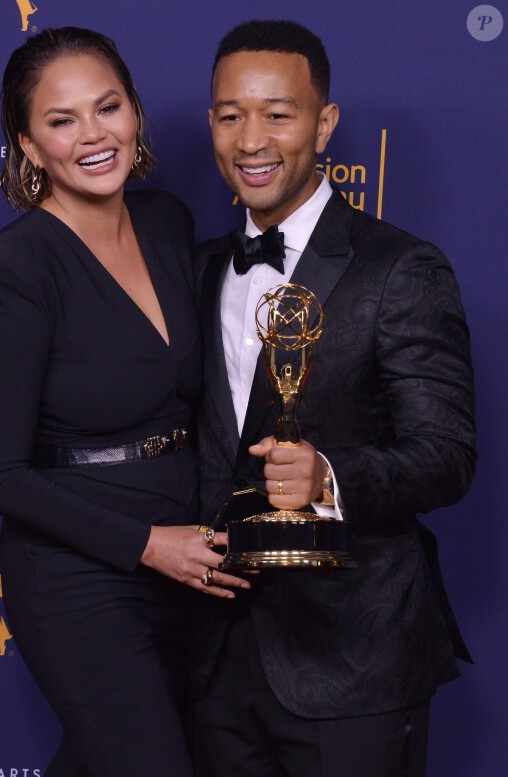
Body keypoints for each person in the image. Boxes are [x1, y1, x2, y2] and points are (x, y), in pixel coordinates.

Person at [0, 26, 248, 777]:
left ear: (135, 113)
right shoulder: (14, 267)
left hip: (193, 554)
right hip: (79, 576)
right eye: (62, 120)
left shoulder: (167, 221)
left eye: (108, 107)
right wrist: (149, 544)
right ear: (29, 146)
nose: (93, 135)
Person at [191, 19, 476, 777]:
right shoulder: (197, 269)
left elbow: (447, 455)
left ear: (324, 125)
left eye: (278, 114)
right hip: (212, 657)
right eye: (231, 115)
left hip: (355, 660)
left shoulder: (401, 267)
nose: (251, 141)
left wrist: (330, 476)